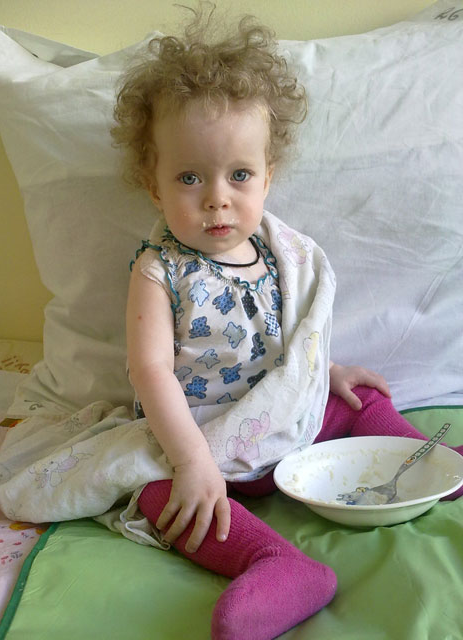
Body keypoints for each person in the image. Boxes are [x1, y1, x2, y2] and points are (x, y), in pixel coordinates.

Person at [112, 6, 462, 639]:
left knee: (357, 403)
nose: (217, 197)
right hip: (203, 439)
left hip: (283, 418)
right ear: (153, 185)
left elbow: (285, 342)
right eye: (189, 177)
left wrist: (324, 371)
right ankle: (277, 563)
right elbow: (150, 369)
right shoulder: (159, 269)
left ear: (267, 179)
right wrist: (192, 459)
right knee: (157, 496)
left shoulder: (280, 255)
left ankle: (429, 464)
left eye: (239, 175)